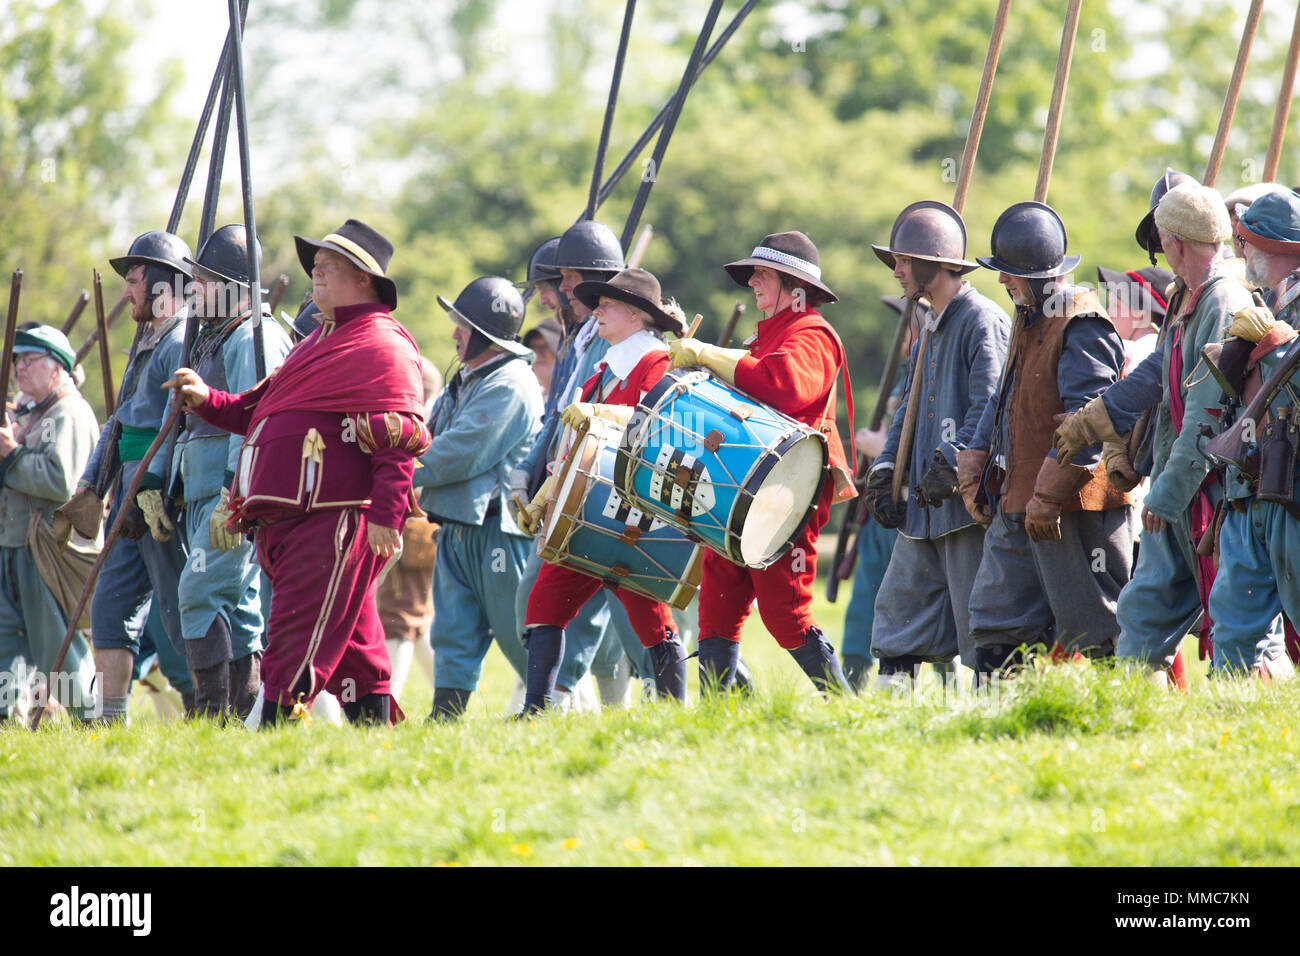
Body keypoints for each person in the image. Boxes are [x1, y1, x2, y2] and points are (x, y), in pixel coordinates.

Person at [167, 219, 430, 725]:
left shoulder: (383, 344)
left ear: (365, 281)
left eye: (331, 266)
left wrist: (385, 515)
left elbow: (397, 439)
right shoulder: (318, 342)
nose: (317, 272)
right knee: (356, 646)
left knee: (293, 639)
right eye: (317, 265)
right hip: (291, 520)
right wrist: (206, 400)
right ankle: (378, 738)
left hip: (333, 520)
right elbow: (258, 410)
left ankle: (269, 736)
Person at [1053, 183, 1256, 682]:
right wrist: (1096, 423)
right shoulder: (1187, 297)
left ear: (1176, 242)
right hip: (1179, 489)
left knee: (1240, 626)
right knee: (1142, 617)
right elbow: (1153, 378)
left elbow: (1206, 418)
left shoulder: (1224, 302)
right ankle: (1134, 725)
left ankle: (1243, 719)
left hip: (1214, 495)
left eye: (1163, 237)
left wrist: (1164, 496)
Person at [668, 231, 856, 693]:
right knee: (717, 604)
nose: (751, 281)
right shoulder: (770, 334)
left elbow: (783, 386)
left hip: (788, 494)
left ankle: (850, 711)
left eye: (763, 274)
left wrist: (708, 354)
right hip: (740, 490)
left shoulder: (813, 334)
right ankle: (716, 721)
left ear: (795, 289)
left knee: (786, 615)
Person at [960, 202, 1131, 678]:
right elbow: (1004, 399)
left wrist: (1049, 495)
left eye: (1010, 273)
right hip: (1019, 500)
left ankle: (1125, 726)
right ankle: (999, 729)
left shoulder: (1083, 322)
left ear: (1037, 277)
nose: (1001, 282)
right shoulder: (1028, 315)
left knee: (1099, 629)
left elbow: (1091, 422)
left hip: (1076, 506)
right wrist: (974, 457)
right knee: (995, 621)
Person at [516, 267, 688, 712]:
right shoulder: (604, 369)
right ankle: (534, 712)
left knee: (651, 621)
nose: (597, 312)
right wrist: (543, 495)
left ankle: (675, 711)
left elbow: (653, 429)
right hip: (586, 511)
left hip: (630, 512)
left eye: (607, 305)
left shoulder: (657, 363)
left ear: (634, 313)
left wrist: (595, 416)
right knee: (544, 604)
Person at [140, 224, 292, 718]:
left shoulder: (253, 336)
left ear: (231, 287)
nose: (194, 289)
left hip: (230, 496)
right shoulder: (213, 337)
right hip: (204, 493)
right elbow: (183, 422)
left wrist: (234, 494)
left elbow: (255, 426)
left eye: (204, 280)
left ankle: (210, 714)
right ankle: (247, 711)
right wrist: (163, 482)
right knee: (239, 609)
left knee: (198, 591)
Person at [863, 202, 1010, 683]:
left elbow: (989, 404)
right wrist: (886, 468)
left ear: (932, 263)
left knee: (984, 630)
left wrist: (954, 464)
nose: (898, 272)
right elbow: (908, 409)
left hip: (965, 507)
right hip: (923, 511)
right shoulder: (928, 323)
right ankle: (889, 728)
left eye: (904, 261)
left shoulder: (982, 319)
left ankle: (998, 728)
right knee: (896, 620)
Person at [55, 230, 192, 724]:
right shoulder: (149, 338)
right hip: (128, 495)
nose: (128, 290)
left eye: (135, 279)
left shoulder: (181, 339)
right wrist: (92, 487)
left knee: (181, 615)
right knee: (111, 611)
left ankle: (208, 710)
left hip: (158, 500)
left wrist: (152, 489)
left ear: (161, 283)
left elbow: (180, 426)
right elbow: (119, 424)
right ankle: (109, 722)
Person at [414, 276, 541, 719]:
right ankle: (443, 721)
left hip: (499, 529)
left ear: (484, 335)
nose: (454, 334)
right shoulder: (470, 378)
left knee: (519, 632)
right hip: (459, 526)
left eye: (463, 327)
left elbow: (460, 451)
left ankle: (559, 711)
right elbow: (432, 436)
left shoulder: (510, 383)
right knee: (452, 631)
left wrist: (395, 473)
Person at [1197, 190, 1300, 677]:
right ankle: (1226, 727)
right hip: (1248, 491)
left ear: (1272, 246)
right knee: (1233, 631)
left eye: (1248, 243)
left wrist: (1277, 348)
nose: (1242, 254)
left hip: (1293, 494)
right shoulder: (1259, 307)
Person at [0, 325, 100, 723]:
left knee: (58, 646)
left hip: (47, 550)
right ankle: (6, 719)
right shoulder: (31, 412)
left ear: (56, 368)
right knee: (6, 639)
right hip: (13, 546)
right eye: (17, 361)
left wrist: (11, 455)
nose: (19, 369)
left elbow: (60, 483)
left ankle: (90, 721)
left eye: (29, 360)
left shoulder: (69, 413)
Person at [839, 296, 919, 691]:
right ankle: (851, 686)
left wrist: (878, 446)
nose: (901, 333)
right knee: (863, 607)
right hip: (880, 508)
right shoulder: (908, 372)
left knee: (912, 608)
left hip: (909, 509)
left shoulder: (929, 373)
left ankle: (913, 688)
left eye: (907, 323)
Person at [522, 316, 562, 393]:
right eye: (533, 347)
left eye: (544, 347)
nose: (537, 354)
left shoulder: (575, 396)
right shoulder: (530, 397)